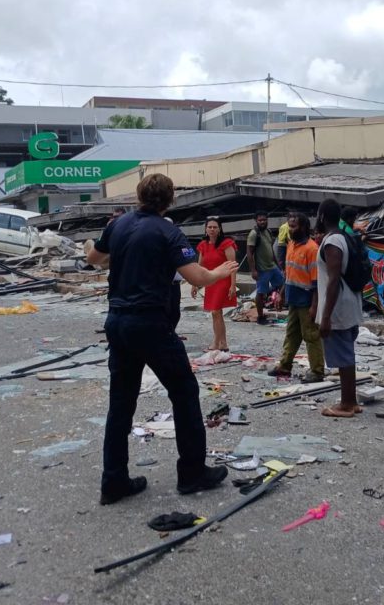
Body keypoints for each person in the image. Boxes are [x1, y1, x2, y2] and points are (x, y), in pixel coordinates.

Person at [85, 173, 239, 506]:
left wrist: (102, 248)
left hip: (117, 321)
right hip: (150, 323)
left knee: (120, 402)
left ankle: (113, 481)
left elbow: (93, 258)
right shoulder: (168, 232)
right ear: (170, 201)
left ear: (139, 195)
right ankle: (192, 472)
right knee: (184, 392)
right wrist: (220, 273)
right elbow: (196, 276)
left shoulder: (118, 225)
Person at [314, 199, 362, 418]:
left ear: (322, 216)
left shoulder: (332, 241)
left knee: (343, 356)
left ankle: (347, 404)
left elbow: (333, 280)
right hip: (347, 303)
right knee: (346, 355)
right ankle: (351, 401)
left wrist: (326, 317)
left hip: (338, 307)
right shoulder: (343, 237)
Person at [269, 212, 325, 383]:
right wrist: (281, 293)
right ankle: (285, 365)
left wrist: (314, 306)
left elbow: (316, 282)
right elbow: (289, 274)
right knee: (291, 334)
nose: (290, 229)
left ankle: (317, 371)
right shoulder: (291, 245)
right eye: (289, 226)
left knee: (311, 335)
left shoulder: (312, 249)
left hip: (306, 300)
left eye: (293, 226)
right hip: (293, 298)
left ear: (303, 227)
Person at [191, 217, 238, 351]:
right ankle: (223, 343)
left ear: (220, 229)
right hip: (210, 281)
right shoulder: (203, 245)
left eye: (215, 227)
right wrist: (194, 284)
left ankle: (216, 343)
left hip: (223, 280)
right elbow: (199, 266)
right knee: (216, 313)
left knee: (216, 311)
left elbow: (233, 266)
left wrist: (233, 285)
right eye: (209, 227)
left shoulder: (226, 243)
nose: (212, 229)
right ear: (205, 229)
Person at [247, 210, 283, 325]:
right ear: (256, 221)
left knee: (283, 284)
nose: (262, 222)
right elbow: (249, 253)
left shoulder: (268, 231)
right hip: (262, 270)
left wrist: (278, 265)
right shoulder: (253, 234)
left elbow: (271, 249)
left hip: (272, 266)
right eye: (260, 220)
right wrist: (253, 270)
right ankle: (261, 316)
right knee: (261, 293)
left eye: (264, 220)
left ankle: (279, 305)